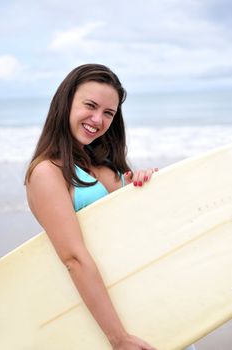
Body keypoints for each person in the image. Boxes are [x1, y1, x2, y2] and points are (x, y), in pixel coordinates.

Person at [25, 63, 195, 350]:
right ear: (65, 102)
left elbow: (133, 233)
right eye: (90, 105)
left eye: (108, 113)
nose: (98, 119)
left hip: (149, 299)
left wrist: (142, 188)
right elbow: (74, 258)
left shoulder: (105, 163)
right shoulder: (47, 172)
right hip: (110, 320)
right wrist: (118, 338)